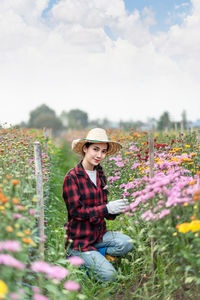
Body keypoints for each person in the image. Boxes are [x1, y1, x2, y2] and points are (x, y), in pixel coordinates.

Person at [62, 128, 133, 282]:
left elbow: (103, 210)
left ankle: (96, 255)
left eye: (103, 151)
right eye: (95, 149)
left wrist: (118, 209)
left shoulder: (100, 174)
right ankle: (76, 259)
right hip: (80, 242)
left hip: (98, 234)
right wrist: (106, 208)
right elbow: (76, 212)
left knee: (127, 243)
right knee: (110, 276)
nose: (99, 155)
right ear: (85, 148)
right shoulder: (72, 177)